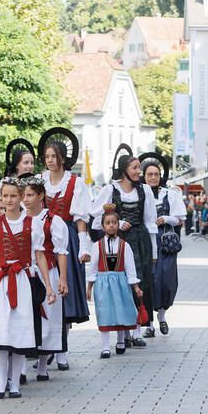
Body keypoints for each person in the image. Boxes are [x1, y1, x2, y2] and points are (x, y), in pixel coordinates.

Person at [0, 177, 56, 400]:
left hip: (22, 280)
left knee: (20, 331)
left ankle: (15, 382)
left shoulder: (32, 223)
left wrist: (48, 285)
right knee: (1, 331)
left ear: (21, 197)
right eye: (5, 196)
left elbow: (40, 254)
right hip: (0, 282)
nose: (9, 200)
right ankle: (0, 383)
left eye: (13, 196)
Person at [91, 154, 156, 347]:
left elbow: (150, 221)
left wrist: (154, 252)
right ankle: (124, 332)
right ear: (125, 170)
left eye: (139, 168)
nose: (138, 172)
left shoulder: (145, 190)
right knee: (121, 285)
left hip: (141, 241)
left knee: (140, 283)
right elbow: (96, 216)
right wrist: (117, 224)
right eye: (135, 168)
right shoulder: (111, 189)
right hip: (119, 242)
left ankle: (136, 331)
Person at [40, 136, 91, 372]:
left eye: (54, 156)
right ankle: (45, 347)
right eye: (47, 156)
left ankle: (61, 349)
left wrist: (83, 245)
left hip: (66, 238)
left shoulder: (75, 183)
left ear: (63, 158)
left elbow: (80, 218)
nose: (50, 160)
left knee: (64, 293)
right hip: (41, 237)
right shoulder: (40, 180)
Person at [22, 176, 69, 381]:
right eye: (23, 195)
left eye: (30, 195)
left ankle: (42, 367)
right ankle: (21, 369)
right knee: (24, 319)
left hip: (47, 271)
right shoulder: (18, 218)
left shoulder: (53, 220)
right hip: (23, 273)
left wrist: (62, 279)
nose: (25, 199)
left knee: (47, 317)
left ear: (41, 196)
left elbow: (61, 252)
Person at [86, 205, 141, 358]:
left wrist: (135, 286)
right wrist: (89, 287)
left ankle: (121, 340)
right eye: (108, 223)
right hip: (103, 283)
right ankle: (105, 347)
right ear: (103, 226)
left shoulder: (125, 245)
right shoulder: (97, 246)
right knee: (104, 312)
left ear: (118, 224)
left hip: (120, 281)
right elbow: (93, 267)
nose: (111, 225)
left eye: (114, 222)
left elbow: (130, 268)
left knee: (120, 309)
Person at [142, 158, 185, 336]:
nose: (153, 177)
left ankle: (162, 316)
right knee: (149, 280)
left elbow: (180, 219)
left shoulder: (170, 194)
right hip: (146, 240)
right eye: (150, 174)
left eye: (156, 174)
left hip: (165, 242)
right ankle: (149, 324)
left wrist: (166, 218)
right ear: (144, 177)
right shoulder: (140, 194)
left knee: (166, 280)